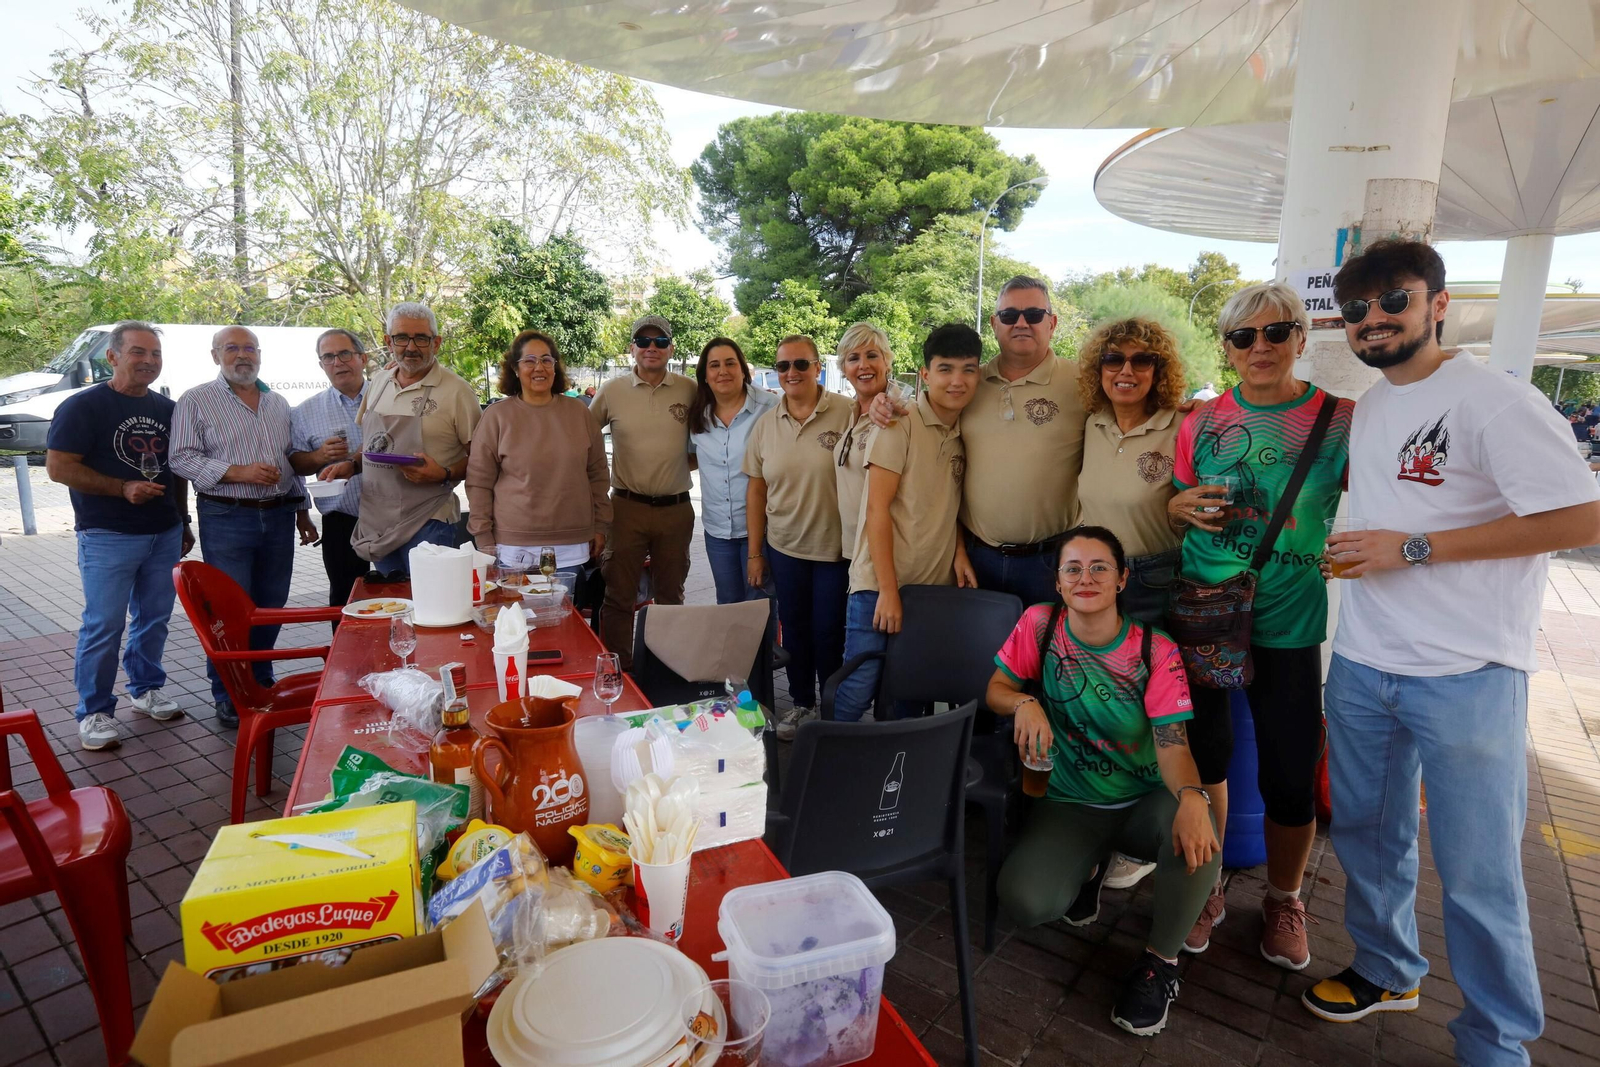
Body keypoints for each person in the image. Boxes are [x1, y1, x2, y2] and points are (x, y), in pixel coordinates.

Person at [1303, 239, 1600, 1067]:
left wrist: (1415, 547)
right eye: (1356, 310)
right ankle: (1387, 966)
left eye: (1392, 301)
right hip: (1364, 660)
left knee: (1478, 870)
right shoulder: (1374, 405)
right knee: (1367, 835)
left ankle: (1497, 1040)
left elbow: (1582, 520)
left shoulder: (1494, 401)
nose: (1373, 321)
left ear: (1437, 303)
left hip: (1469, 675)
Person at [1166, 282, 1354, 968]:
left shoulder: (1339, 419)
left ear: (1302, 338)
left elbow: (1388, 495)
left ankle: (1283, 896)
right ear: (1227, 346)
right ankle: (1210, 884)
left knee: (1289, 772)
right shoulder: (1202, 419)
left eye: (1276, 333)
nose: (1260, 348)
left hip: (1289, 623)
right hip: (1208, 614)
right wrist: (1180, 502)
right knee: (1209, 755)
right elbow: (1174, 499)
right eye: (1243, 337)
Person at [991, 525, 1219, 1037]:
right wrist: (1024, 702)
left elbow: (1174, 745)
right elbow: (997, 688)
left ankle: (1161, 964)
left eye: (1099, 567)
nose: (1085, 577)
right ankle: (1090, 868)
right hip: (1069, 803)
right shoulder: (1039, 625)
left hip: (1141, 802)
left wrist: (1191, 796)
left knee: (1197, 834)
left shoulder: (1152, 650)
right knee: (1026, 902)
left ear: (1121, 580)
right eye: (1073, 568)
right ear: (1058, 581)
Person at [871, 276, 1086, 606]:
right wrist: (878, 402)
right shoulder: (969, 381)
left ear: (1052, 323)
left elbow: (1135, 410)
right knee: (977, 655)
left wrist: (1187, 406)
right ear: (994, 324)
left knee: (1045, 656)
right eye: (1010, 315)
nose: (1022, 323)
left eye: (1034, 314)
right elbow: (927, 417)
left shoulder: (1083, 383)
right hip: (975, 559)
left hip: (1051, 561)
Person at [46, 321, 195, 750]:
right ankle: (94, 711)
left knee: (154, 619)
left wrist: (181, 520)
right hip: (107, 534)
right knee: (104, 624)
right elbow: (59, 468)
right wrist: (121, 487)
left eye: (155, 354)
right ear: (112, 357)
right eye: (138, 352)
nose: (148, 361)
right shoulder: (83, 407)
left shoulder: (168, 410)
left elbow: (178, 469)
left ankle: (145, 688)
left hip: (163, 533)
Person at [830, 323, 980, 723]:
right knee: (858, 689)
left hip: (931, 590)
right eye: (945, 369)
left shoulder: (966, 430)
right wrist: (888, 590)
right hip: (880, 587)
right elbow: (876, 510)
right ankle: (825, 771)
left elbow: (950, 504)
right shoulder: (899, 424)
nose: (957, 380)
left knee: (911, 697)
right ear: (925, 374)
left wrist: (961, 550)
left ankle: (897, 779)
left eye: (968, 369)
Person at [171, 326, 317, 727]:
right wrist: (237, 471)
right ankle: (229, 692)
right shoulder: (196, 400)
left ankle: (261, 679)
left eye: (249, 348)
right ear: (215, 354)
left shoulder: (278, 402)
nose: (242, 355)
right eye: (232, 348)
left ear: (260, 354)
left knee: (272, 604)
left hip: (278, 513)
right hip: (226, 514)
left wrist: (303, 510)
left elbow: (289, 462)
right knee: (230, 609)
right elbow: (180, 458)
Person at [744, 335, 853, 738]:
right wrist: (755, 553)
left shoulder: (847, 411)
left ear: (818, 367)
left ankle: (835, 709)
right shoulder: (766, 424)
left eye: (801, 365)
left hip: (835, 550)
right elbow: (756, 490)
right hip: (785, 548)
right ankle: (803, 705)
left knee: (830, 632)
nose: (791, 373)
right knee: (795, 631)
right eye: (783, 366)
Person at [322, 302, 480, 579]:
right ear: (388, 341)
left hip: (429, 521)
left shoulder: (457, 392)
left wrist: (443, 473)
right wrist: (352, 465)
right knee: (394, 610)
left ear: (437, 342)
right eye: (401, 338)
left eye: (421, 338)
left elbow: (482, 458)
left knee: (432, 610)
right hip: (379, 522)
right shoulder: (379, 382)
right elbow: (372, 442)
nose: (411, 347)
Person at [590, 315, 699, 667]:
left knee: (671, 596)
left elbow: (708, 443)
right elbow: (584, 442)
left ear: (671, 348)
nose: (652, 347)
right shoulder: (612, 390)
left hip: (676, 509)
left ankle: (664, 669)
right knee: (619, 595)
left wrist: (676, 466)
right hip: (625, 508)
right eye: (644, 340)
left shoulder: (690, 390)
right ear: (632, 347)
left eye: (661, 341)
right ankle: (618, 670)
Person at [466, 329, 610, 574]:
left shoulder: (579, 414)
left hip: (571, 546)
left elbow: (597, 475)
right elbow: (479, 483)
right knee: (517, 613)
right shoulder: (497, 417)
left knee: (566, 612)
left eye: (546, 360)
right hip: (513, 547)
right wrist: (483, 538)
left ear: (555, 366)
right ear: (515, 368)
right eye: (529, 361)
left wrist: (601, 526)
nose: (539, 368)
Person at [1075, 317, 1189, 624]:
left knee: (1150, 668)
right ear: (1099, 370)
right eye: (1113, 360)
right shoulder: (1092, 423)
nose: (1126, 371)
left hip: (1156, 580)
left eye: (1141, 360)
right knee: (1098, 668)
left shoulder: (1181, 427)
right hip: (1095, 575)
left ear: (1158, 370)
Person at [688, 336, 777, 603]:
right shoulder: (697, 415)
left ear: (742, 369)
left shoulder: (769, 408)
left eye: (730, 363)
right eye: (714, 365)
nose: (722, 371)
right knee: (727, 607)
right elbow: (691, 459)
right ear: (705, 375)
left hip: (762, 531)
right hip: (718, 532)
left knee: (760, 609)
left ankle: (763, 649)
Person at [289, 329, 367, 622]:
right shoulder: (306, 411)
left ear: (362, 358)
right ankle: (347, 668)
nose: (338, 362)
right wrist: (320, 457)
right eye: (329, 357)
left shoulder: (389, 399)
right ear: (321, 364)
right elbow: (296, 464)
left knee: (399, 598)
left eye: (345, 354)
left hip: (392, 517)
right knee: (345, 604)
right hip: (341, 522)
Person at [833, 322, 895, 561]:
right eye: (853, 358)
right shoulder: (850, 411)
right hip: (850, 549)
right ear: (844, 368)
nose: (863, 365)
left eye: (872, 356)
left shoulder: (895, 413)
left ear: (886, 362)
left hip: (880, 554)